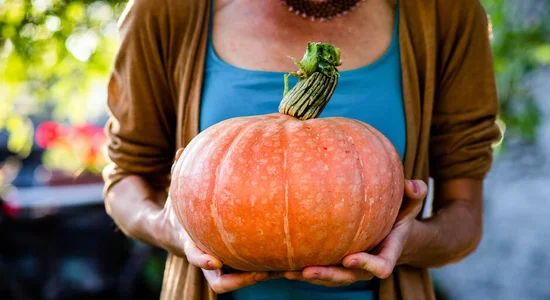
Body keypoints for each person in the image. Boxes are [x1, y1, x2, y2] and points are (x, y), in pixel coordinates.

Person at [102, 0, 501, 299]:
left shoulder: (447, 13)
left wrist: (408, 242)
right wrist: (169, 227)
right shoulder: (165, 10)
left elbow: (464, 217)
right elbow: (125, 178)